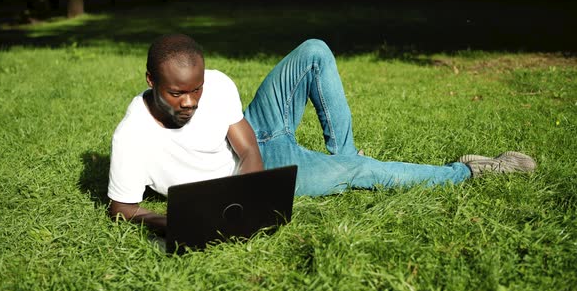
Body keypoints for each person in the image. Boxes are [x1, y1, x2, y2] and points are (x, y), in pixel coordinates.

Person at [107, 34, 536, 234]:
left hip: (259, 147)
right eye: (177, 93)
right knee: (358, 170)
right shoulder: (132, 137)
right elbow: (122, 210)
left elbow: (248, 143)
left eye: (195, 90)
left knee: (313, 51)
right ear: (150, 80)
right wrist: (177, 221)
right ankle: (469, 171)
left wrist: (252, 191)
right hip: (245, 176)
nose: (190, 102)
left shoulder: (213, 84)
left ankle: (345, 158)